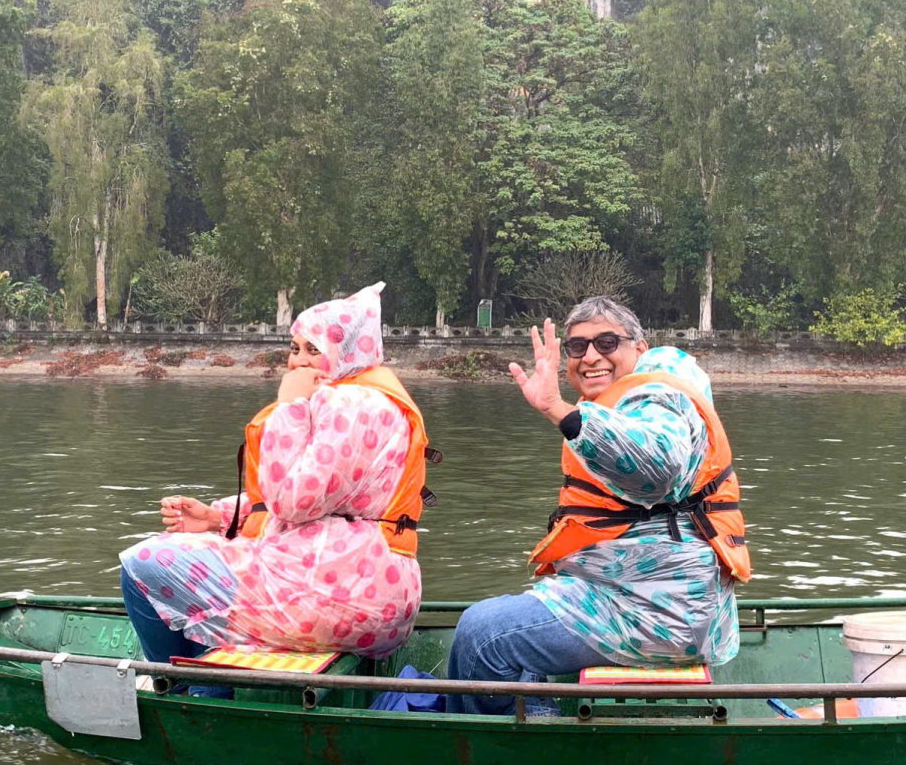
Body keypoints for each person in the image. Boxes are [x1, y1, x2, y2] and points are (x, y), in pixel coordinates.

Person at [445, 296, 750, 714]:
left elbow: (657, 465)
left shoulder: (657, 396)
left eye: (607, 343)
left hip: (659, 611)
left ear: (639, 350)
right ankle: (531, 720)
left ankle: (502, 756)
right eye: (577, 347)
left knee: (482, 634)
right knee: (503, 624)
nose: (591, 357)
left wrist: (559, 410)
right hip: (626, 591)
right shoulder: (626, 400)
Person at [118, 282, 429, 669]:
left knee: (142, 563)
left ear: (347, 351)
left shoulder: (348, 404)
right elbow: (312, 500)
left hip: (334, 593)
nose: (297, 361)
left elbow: (291, 502)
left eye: (314, 350)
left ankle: (189, 692)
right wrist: (220, 518)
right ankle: (209, 682)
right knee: (199, 562)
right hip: (371, 589)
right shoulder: (373, 401)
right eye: (294, 349)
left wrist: (291, 405)